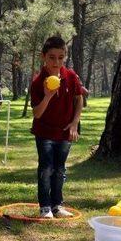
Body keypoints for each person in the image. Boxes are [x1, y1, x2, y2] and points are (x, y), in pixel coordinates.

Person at [31, 36, 83, 219]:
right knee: (46, 169)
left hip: (65, 132)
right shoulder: (38, 82)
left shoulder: (70, 76)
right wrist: (47, 96)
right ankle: (45, 207)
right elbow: (37, 113)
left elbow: (79, 99)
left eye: (61, 57)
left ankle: (57, 206)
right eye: (52, 57)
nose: (56, 62)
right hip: (45, 133)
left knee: (60, 169)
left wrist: (75, 122)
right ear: (43, 56)